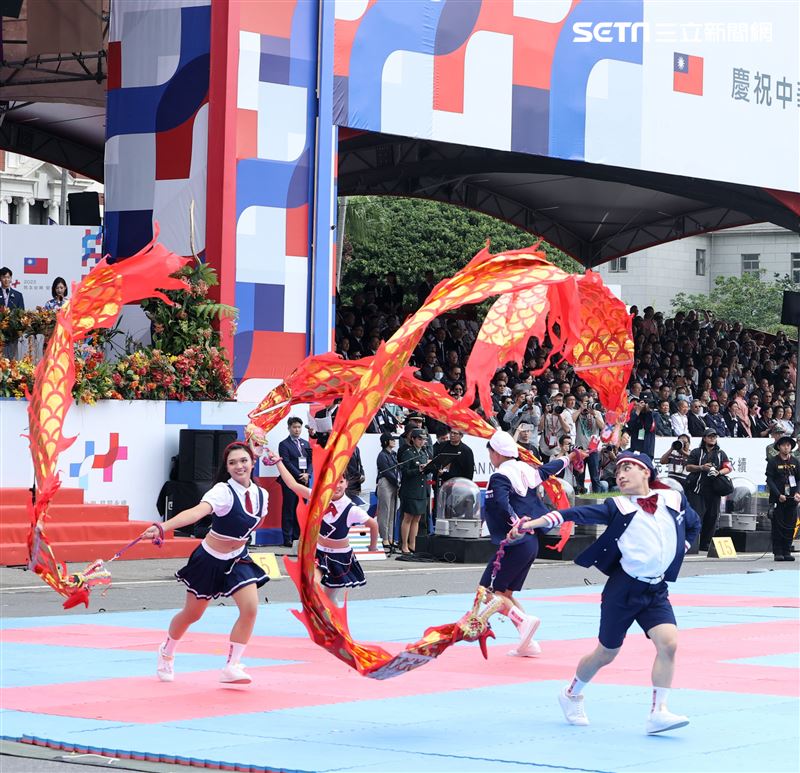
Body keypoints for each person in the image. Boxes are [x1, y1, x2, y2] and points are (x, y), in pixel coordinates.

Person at [509, 450, 700, 735]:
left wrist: (680, 549)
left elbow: (694, 524)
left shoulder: (673, 498)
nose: (620, 475)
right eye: (618, 471)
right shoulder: (617, 506)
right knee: (606, 653)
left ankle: (658, 712)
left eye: (627, 468)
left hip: (656, 589)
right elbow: (574, 514)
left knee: (669, 644)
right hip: (623, 589)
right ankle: (571, 693)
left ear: (646, 472)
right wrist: (529, 524)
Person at [142, 442, 269, 685]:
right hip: (209, 559)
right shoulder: (222, 491)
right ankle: (167, 651)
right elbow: (196, 513)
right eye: (232, 462)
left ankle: (232, 666)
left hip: (238, 558)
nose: (239, 466)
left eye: (243, 460)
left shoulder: (262, 495)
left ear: (253, 462)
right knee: (192, 614)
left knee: (250, 608)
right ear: (227, 468)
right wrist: (163, 527)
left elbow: (255, 522)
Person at [481, 429, 578, 657]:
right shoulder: (526, 469)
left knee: (488, 592)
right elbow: (548, 469)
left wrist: (516, 523)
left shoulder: (500, 476)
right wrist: (569, 458)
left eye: (490, 452)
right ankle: (528, 643)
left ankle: (523, 622)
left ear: (496, 453)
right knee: (505, 593)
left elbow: (502, 504)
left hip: (515, 541)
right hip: (531, 542)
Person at [268, 448, 378, 603]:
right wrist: (278, 462)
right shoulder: (319, 498)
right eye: (332, 482)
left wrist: (373, 546)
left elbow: (373, 524)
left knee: (329, 597)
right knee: (313, 585)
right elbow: (293, 485)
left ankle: (329, 617)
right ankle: (319, 615)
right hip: (318, 553)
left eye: (341, 482)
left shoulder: (352, 509)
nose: (336, 486)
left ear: (347, 483)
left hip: (340, 557)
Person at [685, 428, 732, 551]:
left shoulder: (721, 453)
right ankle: (692, 544)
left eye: (714, 437)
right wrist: (702, 467)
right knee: (696, 517)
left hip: (715, 491)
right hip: (698, 490)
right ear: (704, 438)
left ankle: (705, 544)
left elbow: (728, 467)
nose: (712, 438)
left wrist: (718, 472)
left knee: (712, 517)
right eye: (710, 436)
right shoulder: (696, 452)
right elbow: (688, 467)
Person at [278, 416, 312, 547]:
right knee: (289, 508)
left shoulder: (306, 443)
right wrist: (299, 475)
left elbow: (311, 460)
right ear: (289, 428)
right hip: (290, 481)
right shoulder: (284, 444)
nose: (297, 430)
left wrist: (308, 474)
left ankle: (297, 537)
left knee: (301, 509)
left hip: (304, 481)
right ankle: (287, 538)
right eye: (294, 427)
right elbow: (286, 462)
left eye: (299, 427)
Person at [765, 436, 800, 562]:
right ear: (779, 447)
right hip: (778, 499)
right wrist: (778, 494)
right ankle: (778, 552)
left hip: (792, 499)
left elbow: (798, 479)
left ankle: (787, 551)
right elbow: (769, 480)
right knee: (778, 526)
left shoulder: (795, 461)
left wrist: (798, 493)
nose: (786, 447)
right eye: (784, 445)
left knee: (790, 526)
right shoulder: (773, 461)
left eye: (788, 445)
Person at [397, 428, 430, 553]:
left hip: (420, 488)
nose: (422, 442)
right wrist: (418, 470)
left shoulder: (424, 453)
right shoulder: (408, 453)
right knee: (408, 517)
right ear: (413, 439)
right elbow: (404, 472)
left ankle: (413, 543)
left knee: (417, 518)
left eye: (424, 439)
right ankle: (404, 544)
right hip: (410, 489)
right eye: (419, 439)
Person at [375, 433, 400, 550]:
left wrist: (398, 481)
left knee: (392, 512)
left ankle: (390, 537)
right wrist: (396, 481)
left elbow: (397, 469)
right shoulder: (382, 455)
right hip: (386, 482)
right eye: (391, 439)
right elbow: (386, 471)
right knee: (384, 512)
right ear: (386, 442)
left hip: (394, 483)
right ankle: (384, 538)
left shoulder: (393, 454)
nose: (394, 441)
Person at [0, 266, 25, 359]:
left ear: (11, 279)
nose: (6, 280)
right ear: (0, 278)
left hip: (12, 334)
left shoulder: (18, 295)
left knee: (12, 360)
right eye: (4, 277)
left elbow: (21, 313)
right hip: (0, 332)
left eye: (8, 277)